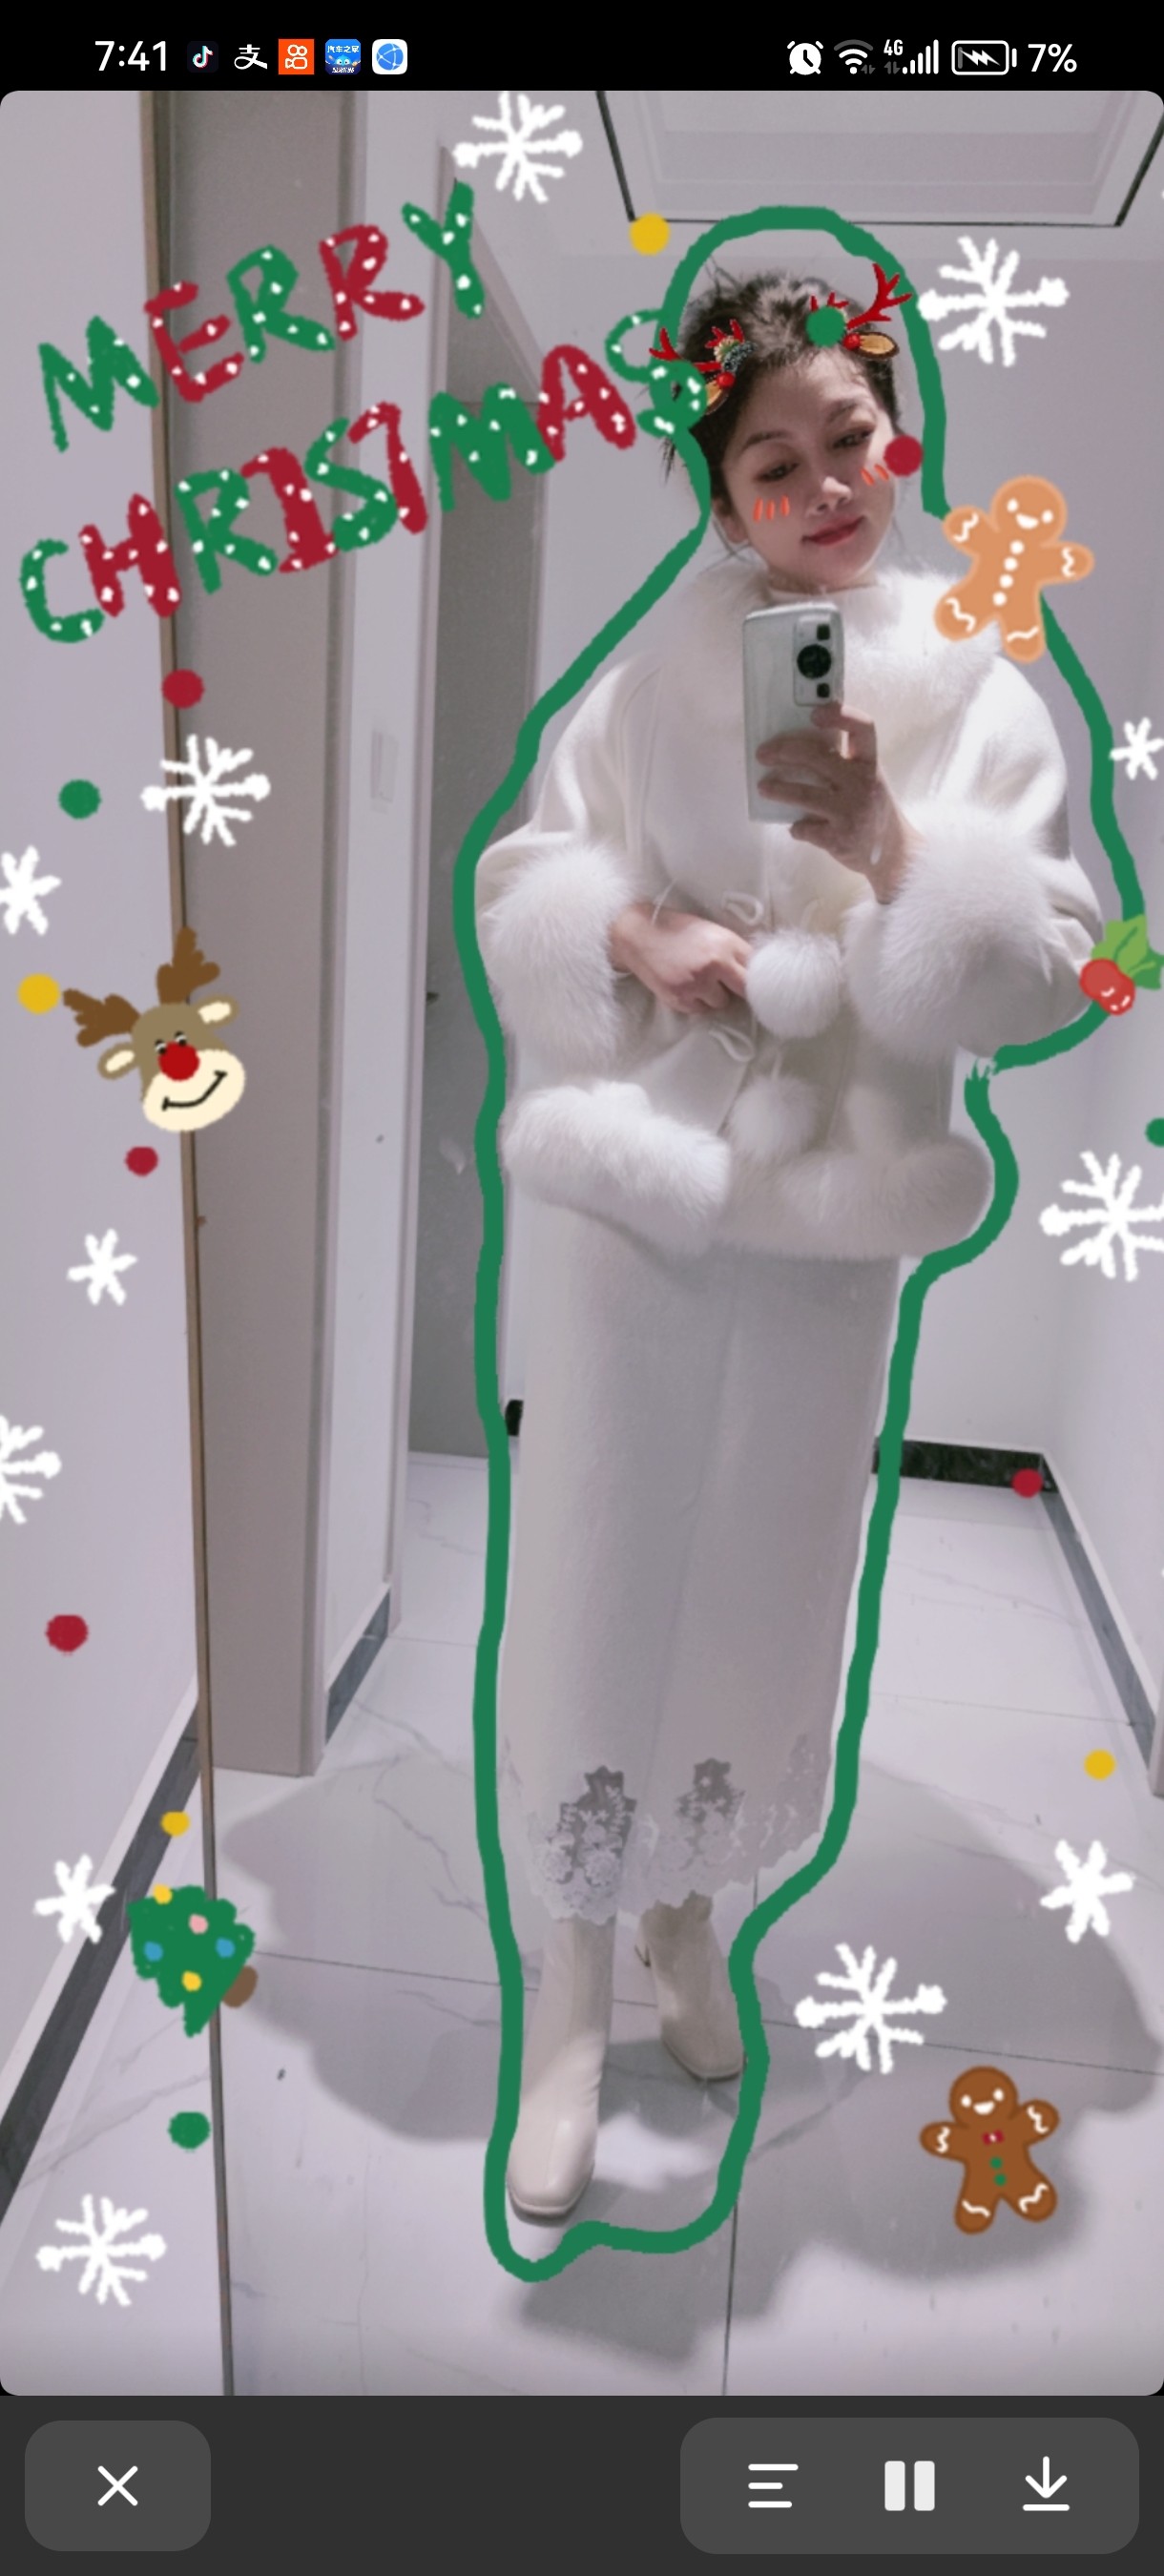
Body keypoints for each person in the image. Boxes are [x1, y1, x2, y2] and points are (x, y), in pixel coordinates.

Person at [473, 267, 1103, 2221]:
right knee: (594, 1579)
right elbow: (531, 866)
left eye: (850, 439)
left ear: (897, 433)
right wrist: (628, 928)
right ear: (722, 491)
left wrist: (897, 847)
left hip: (828, 1220)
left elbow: (1054, 958)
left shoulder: (979, 683)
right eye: (772, 462)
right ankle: (565, 1994)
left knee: (762, 1582)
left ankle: (686, 1912)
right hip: (642, 1189)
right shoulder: (659, 665)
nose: (824, 485)